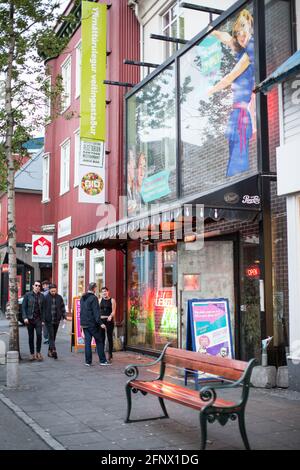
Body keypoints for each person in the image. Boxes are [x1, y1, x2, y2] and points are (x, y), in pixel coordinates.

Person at [208, 9, 255, 177]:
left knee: (238, 160)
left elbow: (231, 75)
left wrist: (210, 91)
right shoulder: (241, 46)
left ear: (250, 26)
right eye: (237, 33)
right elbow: (227, 39)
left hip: (243, 114)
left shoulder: (251, 50)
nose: (240, 35)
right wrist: (212, 32)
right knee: (233, 155)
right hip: (237, 113)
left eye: (243, 29)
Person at [80, 282, 110, 366]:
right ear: (94, 289)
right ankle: (103, 361)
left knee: (87, 343)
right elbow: (96, 312)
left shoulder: (83, 297)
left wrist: (81, 324)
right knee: (99, 341)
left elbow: (82, 311)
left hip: (84, 323)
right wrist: (100, 323)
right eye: (96, 288)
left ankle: (88, 361)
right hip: (92, 324)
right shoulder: (94, 298)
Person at [22, 281, 45, 361]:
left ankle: (38, 352)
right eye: (36, 285)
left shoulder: (42, 296)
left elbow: (43, 309)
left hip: (38, 319)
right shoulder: (27, 295)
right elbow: (23, 307)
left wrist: (43, 320)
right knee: (31, 337)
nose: (38, 287)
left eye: (39, 286)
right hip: (30, 319)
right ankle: (32, 354)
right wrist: (25, 317)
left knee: (39, 335)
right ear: (33, 286)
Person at [43, 283, 66, 359]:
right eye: (52, 291)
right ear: (49, 290)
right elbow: (43, 309)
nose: (53, 292)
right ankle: (54, 350)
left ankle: (49, 351)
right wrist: (43, 319)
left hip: (56, 320)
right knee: (51, 335)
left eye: (55, 291)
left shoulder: (59, 297)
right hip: (48, 320)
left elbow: (62, 308)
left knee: (53, 336)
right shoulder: (45, 298)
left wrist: (64, 317)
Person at [99, 286, 116, 363]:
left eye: (105, 291)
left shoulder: (112, 300)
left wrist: (111, 316)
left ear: (108, 292)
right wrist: (99, 321)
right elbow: (98, 311)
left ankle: (110, 354)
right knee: (102, 338)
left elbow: (113, 311)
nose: (104, 293)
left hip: (109, 321)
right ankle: (102, 355)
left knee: (109, 338)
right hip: (102, 321)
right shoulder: (99, 300)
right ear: (101, 293)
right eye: (103, 291)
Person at [41, 280, 50, 344]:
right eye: (43, 285)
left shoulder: (46, 293)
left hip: (46, 312)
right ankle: (48, 338)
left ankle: (47, 338)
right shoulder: (46, 292)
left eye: (44, 285)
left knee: (45, 326)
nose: (43, 287)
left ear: (47, 285)